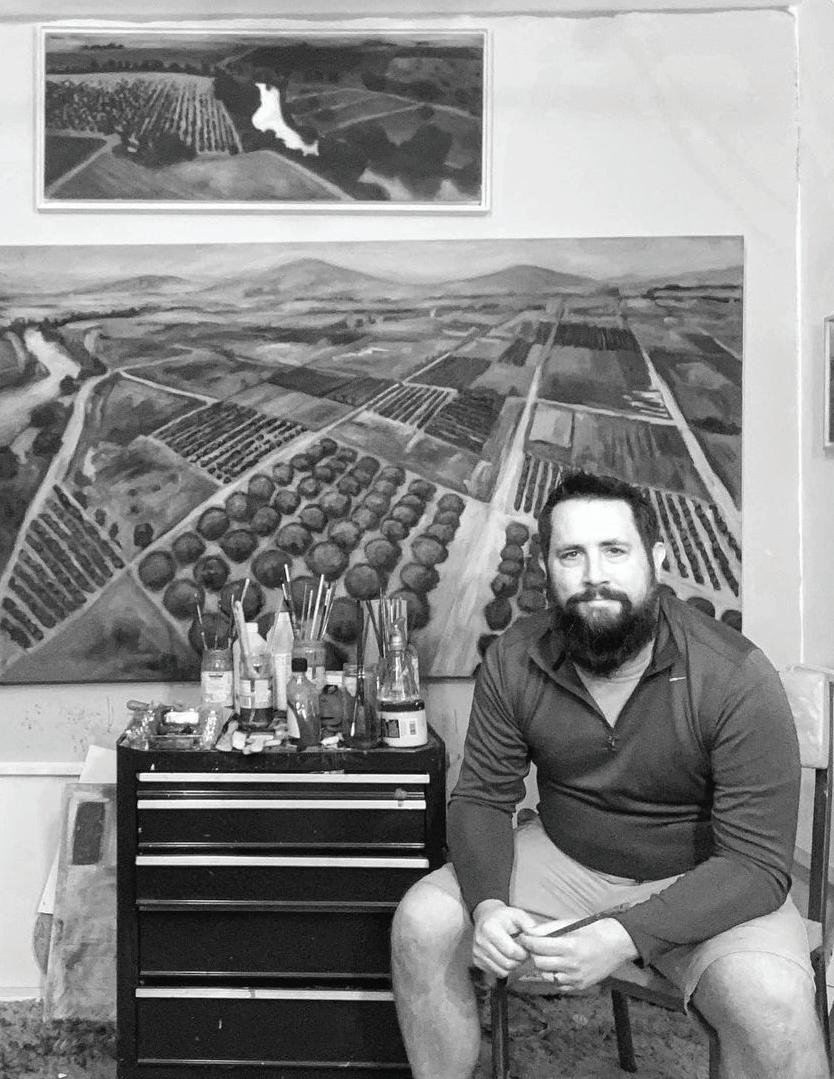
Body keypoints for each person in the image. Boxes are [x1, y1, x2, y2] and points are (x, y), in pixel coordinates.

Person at [391, 470, 828, 1079]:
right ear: (547, 568)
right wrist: (488, 904)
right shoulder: (516, 657)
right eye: (572, 554)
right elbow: (483, 800)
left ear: (656, 559)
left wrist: (623, 934)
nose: (594, 574)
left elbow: (756, 867)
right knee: (421, 924)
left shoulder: (735, 675)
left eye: (615, 550)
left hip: (704, 876)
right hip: (567, 858)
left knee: (774, 1007)